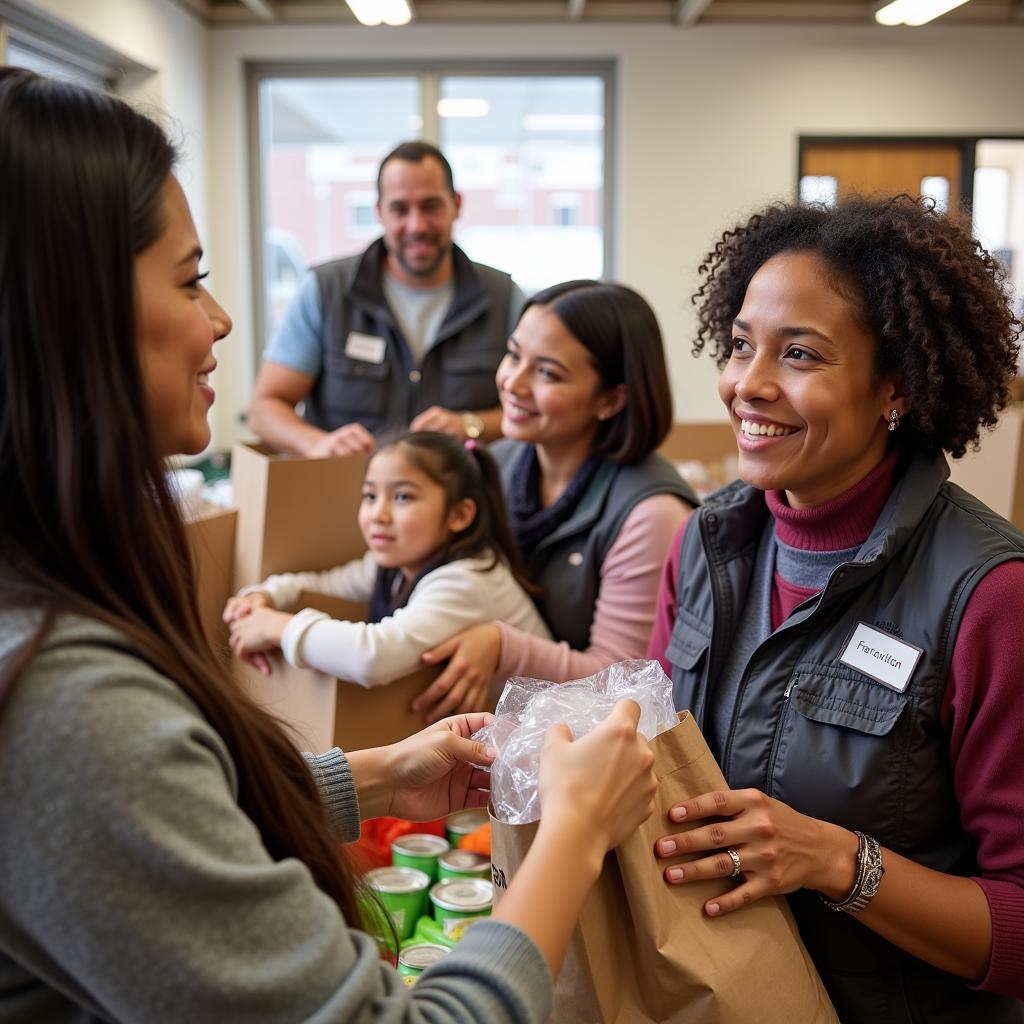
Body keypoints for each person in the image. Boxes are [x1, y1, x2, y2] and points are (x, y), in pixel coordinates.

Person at [0, 68, 659, 1023]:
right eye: (192, 282)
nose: (221, 320)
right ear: (74, 317)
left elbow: (163, 813)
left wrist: (380, 771)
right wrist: (572, 835)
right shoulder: (64, 704)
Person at [647, 195, 1024, 1022]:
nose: (747, 384)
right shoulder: (704, 547)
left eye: (802, 355)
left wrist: (840, 861)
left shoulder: (990, 596)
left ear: (896, 387)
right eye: (742, 345)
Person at [413, 280, 698, 722]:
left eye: (547, 372)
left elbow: (622, 682)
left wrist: (501, 644)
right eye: (513, 355)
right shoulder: (498, 464)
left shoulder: (651, 513)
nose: (513, 383)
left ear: (610, 399)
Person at [249, 141, 525, 457]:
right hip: (351, 497)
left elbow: (538, 409)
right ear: (379, 211)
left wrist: (472, 424)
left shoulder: (504, 298)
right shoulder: (325, 292)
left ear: (457, 204)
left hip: (464, 499)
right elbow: (265, 409)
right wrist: (317, 443)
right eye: (400, 209)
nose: (416, 225)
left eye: (431, 205)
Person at [224, 430, 551, 696]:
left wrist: (276, 627)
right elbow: (326, 584)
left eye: (403, 497)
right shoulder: (393, 564)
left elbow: (373, 656)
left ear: (459, 514)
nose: (378, 515)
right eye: (370, 496)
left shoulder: (467, 579)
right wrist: (266, 596)